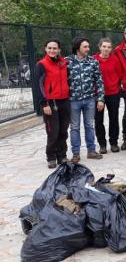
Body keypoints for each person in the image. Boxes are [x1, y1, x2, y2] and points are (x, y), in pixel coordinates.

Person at [67, 37, 105, 163]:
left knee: (89, 126)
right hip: (73, 100)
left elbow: (99, 81)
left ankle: (91, 151)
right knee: (74, 127)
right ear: (78, 48)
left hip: (89, 99)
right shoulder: (67, 62)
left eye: (88, 46)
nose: (88, 49)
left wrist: (100, 99)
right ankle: (76, 154)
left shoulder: (93, 62)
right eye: (85, 47)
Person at [36, 39, 71, 168]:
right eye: (49, 48)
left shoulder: (64, 63)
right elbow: (39, 85)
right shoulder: (42, 64)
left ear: (59, 50)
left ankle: (62, 156)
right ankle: (51, 156)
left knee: (63, 131)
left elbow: (68, 79)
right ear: (45, 49)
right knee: (53, 131)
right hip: (50, 102)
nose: (52, 50)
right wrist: (44, 104)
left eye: (55, 48)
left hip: (65, 100)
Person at [94, 38, 122, 154]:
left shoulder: (115, 60)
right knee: (98, 120)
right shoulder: (93, 60)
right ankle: (102, 144)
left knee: (114, 118)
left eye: (109, 47)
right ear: (100, 47)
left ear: (111, 49)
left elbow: (120, 75)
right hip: (97, 95)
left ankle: (114, 142)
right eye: (104, 46)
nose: (106, 49)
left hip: (113, 93)